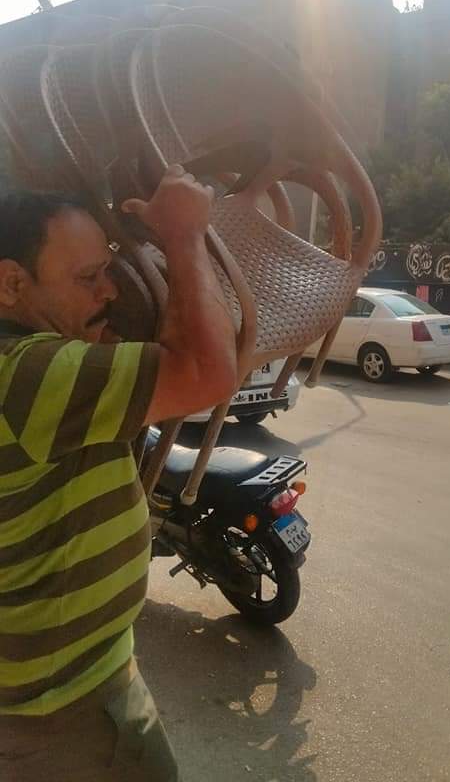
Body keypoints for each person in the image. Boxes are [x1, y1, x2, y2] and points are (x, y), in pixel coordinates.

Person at [0, 165, 238, 781]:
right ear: (11, 283)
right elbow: (207, 372)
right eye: (88, 277)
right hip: (67, 706)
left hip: (68, 680)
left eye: (107, 271)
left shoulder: (42, 364)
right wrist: (185, 235)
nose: (107, 291)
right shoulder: (29, 376)